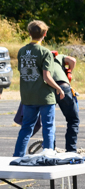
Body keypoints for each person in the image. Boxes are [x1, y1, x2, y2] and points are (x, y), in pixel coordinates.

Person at [14, 20, 63, 157]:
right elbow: (46, 77)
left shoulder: (22, 51)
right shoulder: (45, 52)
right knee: (48, 127)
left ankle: (18, 156)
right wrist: (58, 88)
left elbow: (22, 72)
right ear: (45, 34)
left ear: (29, 33)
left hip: (28, 96)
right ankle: (48, 155)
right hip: (44, 96)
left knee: (26, 128)